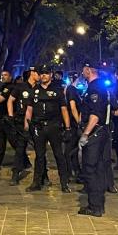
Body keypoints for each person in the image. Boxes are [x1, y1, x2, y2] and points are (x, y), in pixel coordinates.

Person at [25, 65, 71, 193]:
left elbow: (64, 109)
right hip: (38, 126)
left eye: (46, 73)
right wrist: (27, 126)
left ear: (51, 74)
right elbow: (29, 109)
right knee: (39, 156)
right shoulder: (34, 90)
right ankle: (36, 182)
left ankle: (64, 183)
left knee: (59, 155)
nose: (43, 75)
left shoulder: (57, 90)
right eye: (41, 73)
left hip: (54, 126)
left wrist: (67, 128)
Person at [78, 63, 113, 216]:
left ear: (88, 70)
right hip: (100, 132)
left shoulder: (95, 88)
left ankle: (95, 206)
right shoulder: (98, 87)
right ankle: (97, 204)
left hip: (95, 133)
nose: (82, 74)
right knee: (97, 168)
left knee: (90, 169)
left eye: (83, 71)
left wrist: (86, 134)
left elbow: (95, 114)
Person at [7, 67, 39, 186]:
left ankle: (42, 176)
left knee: (40, 150)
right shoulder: (20, 87)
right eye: (38, 73)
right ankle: (15, 174)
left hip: (35, 121)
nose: (40, 76)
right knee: (20, 149)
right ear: (32, 73)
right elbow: (10, 100)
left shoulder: (39, 88)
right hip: (21, 121)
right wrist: (11, 116)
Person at [0, 70, 17, 169]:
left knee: (13, 142)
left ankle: (24, 161)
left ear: (10, 77)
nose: (3, 77)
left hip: (7, 119)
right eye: (2, 75)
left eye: (5, 75)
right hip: (2, 118)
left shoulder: (10, 87)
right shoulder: (2, 86)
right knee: (1, 142)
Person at [64, 73, 82, 182]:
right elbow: (73, 107)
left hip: (73, 123)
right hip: (73, 124)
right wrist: (79, 122)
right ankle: (69, 172)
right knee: (69, 149)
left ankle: (76, 171)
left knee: (74, 149)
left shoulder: (72, 89)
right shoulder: (71, 89)